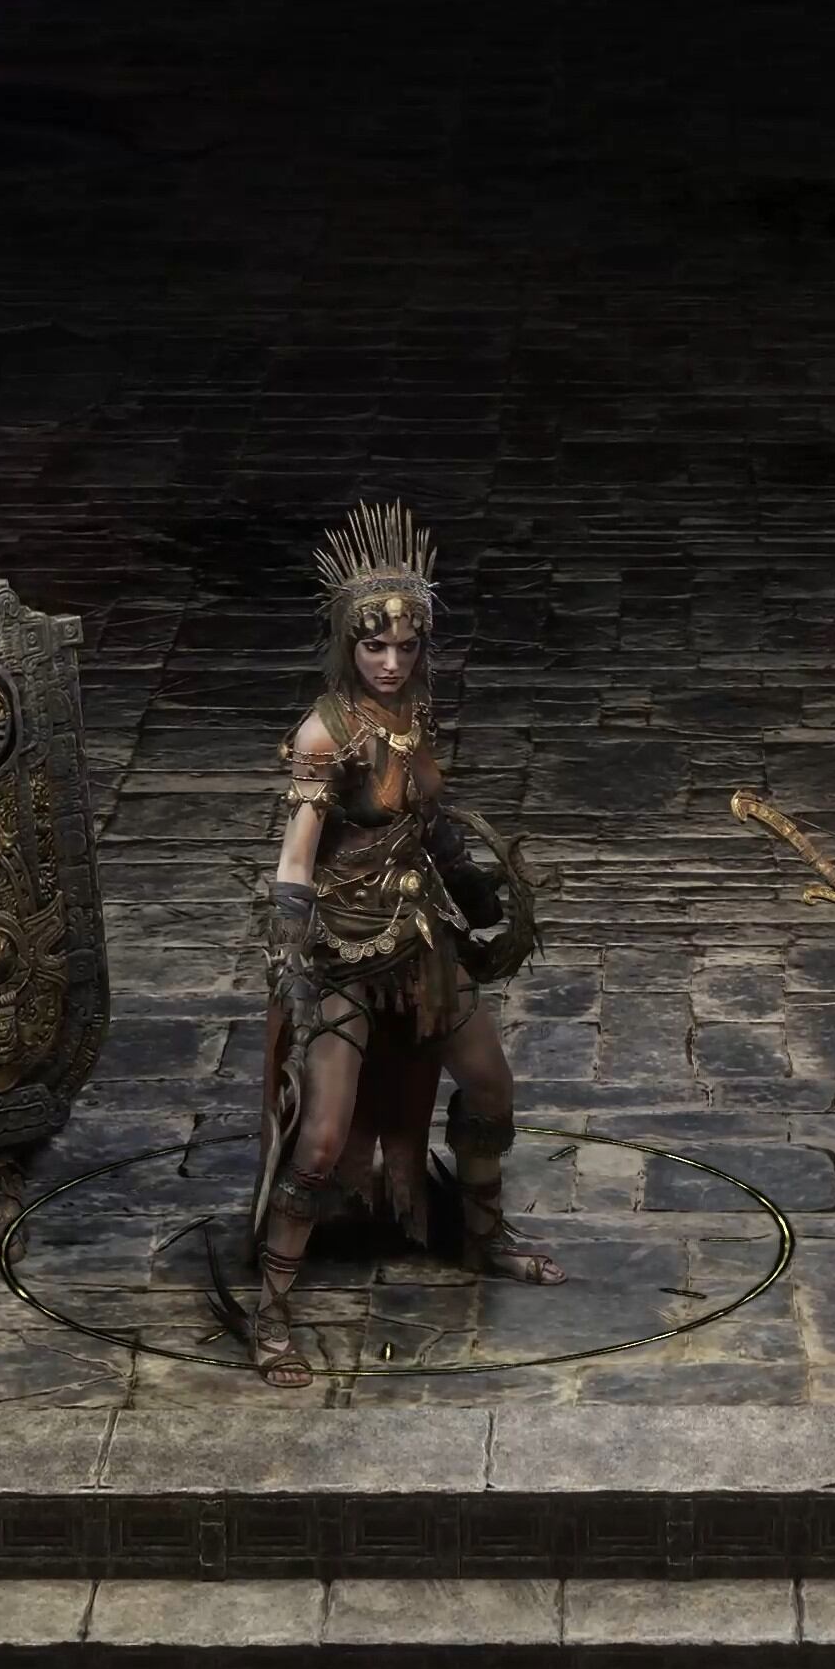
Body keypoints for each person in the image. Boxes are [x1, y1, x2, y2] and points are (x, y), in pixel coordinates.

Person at [249, 500, 556, 1386]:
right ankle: (271, 1312)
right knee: (320, 1139)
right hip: (343, 953)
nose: (391, 662)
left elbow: (428, 821)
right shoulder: (326, 734)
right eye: (375, 647)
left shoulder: (415, 711)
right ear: (347, 643)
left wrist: (475, 887)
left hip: (420, 943)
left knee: (491, 1088)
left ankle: (484, 1236)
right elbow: (297, 858)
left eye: (407, 646)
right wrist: (293, 956)